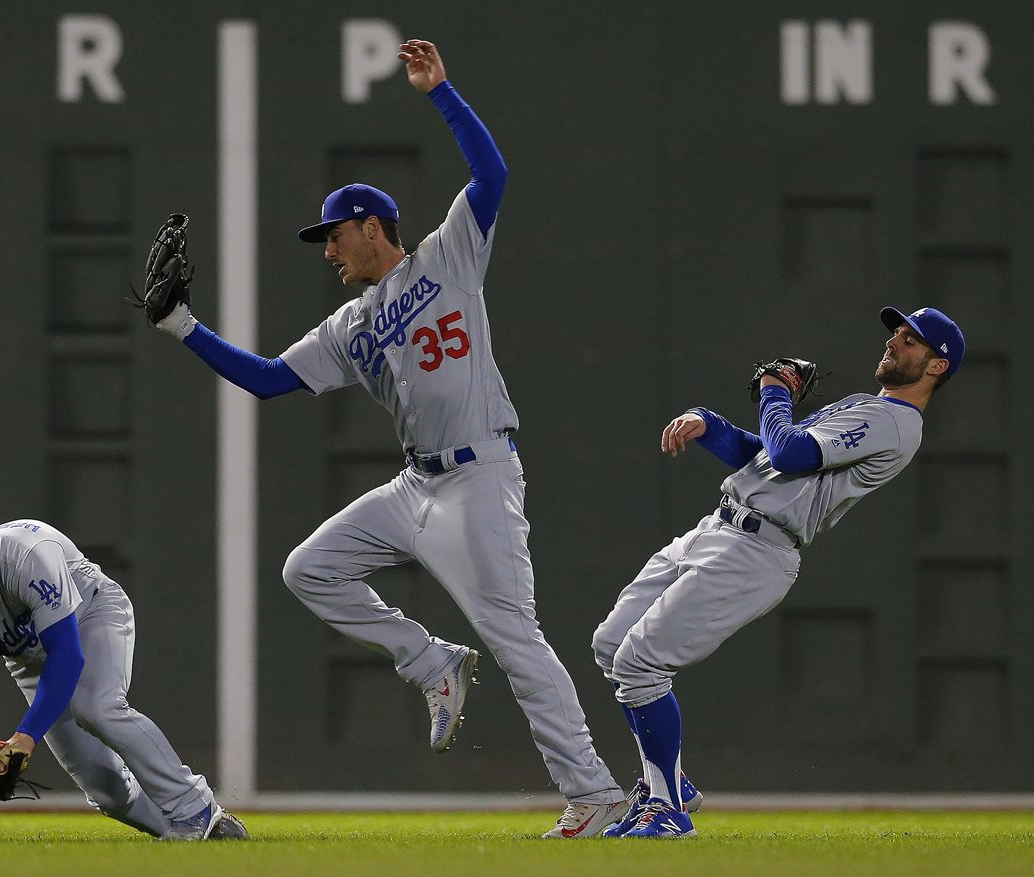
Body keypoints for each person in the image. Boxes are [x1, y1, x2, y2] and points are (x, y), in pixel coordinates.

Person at [149, 38, 626, 837]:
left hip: (479, 472)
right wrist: (183, 326)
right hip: (416, 486)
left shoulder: (449, 257)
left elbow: (492, 178)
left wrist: (441, 93)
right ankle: (431, 661)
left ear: (372, 227)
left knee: (514, 635)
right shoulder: (349, 324)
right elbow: (270, 378)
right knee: (311, 568)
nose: (327, 249)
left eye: (334, 235)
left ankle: (596, 793)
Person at [592, 306, 965, 838]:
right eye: (898, 334)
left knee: (640, 662)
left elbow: (789, 454)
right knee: (610, 645)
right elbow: (767, 456)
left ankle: (668, 808)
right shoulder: (865, 404)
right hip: (716, 528)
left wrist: (775, 391)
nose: (895, 343)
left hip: (757, 550)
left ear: (936, 368)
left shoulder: (896, 423)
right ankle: (668, 782)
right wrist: (712, 427)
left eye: (912, 341)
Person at [0, 519, 248, 843]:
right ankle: (198, 835)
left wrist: (24, 737)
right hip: (30, 659)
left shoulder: (24, 556)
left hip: (89, 615)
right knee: (105, 789)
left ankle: (195, 811)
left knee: (97, 707)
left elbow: (67, 654)